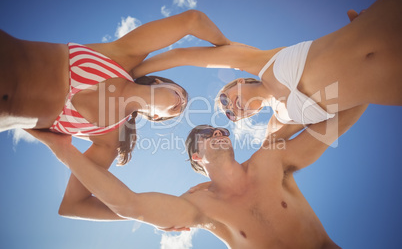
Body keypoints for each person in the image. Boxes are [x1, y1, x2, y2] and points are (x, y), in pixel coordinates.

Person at [28, 101, 367, 248]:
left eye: (222, 130)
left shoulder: (269, 163)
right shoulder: (201, 207)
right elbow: (130, 205)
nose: (219, 133)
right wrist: (63, 149)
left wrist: (365, 75)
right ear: (196, 155)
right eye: (207, 134)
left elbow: (333, 127)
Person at [0, 9, 233, 220]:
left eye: (179, 110)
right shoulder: (120, 57)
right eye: (180, 93)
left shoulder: (107, 140)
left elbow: (73, 205)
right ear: (159, 82)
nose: (181, 103)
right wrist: (231, 51)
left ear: (154, 117)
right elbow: (192, 20)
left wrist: (155, 215)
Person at [130, 0, 402, 138]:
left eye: (225, 99)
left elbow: (183, 56)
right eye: (228, 114)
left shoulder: (260, 62)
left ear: (238, 81)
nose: (231, 108)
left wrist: (130, 74)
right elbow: (269, 165)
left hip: (385, 26)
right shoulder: (280, 124)